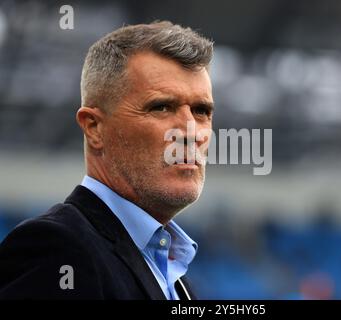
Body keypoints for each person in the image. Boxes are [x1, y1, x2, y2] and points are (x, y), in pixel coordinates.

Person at [0, 20, 214, 300]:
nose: (191, 131)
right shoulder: (57, 249)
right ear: (94, 128)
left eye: (201, 111)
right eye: (161, 107)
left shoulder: (178, 281)